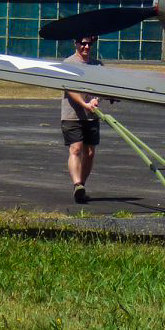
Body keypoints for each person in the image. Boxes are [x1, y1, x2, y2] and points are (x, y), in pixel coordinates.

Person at [61, 37, 102, 204]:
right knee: (76, 149)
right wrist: (85, 104)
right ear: (76, 44)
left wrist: (96, 99)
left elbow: (102, 86)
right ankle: (77, 184)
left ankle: (81, 186)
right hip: (72, 115)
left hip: (91, 116)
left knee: (90, 153)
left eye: (89, 44)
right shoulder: (68, 63)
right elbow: (69, 88)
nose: (86, 47)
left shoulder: (97, 65)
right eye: (83, 43)